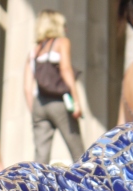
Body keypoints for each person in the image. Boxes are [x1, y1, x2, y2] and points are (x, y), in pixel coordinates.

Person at [25, 10, 84, 164]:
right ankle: (86, 177)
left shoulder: (34, 51)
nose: (66, 29)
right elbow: (66, 70)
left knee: (41, 157)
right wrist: (76, 101)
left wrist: (34, 111)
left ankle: (37, 179)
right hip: (59, 102)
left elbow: (27, 87)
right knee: (77, 152)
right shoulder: (61, 43)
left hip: (39, 104)